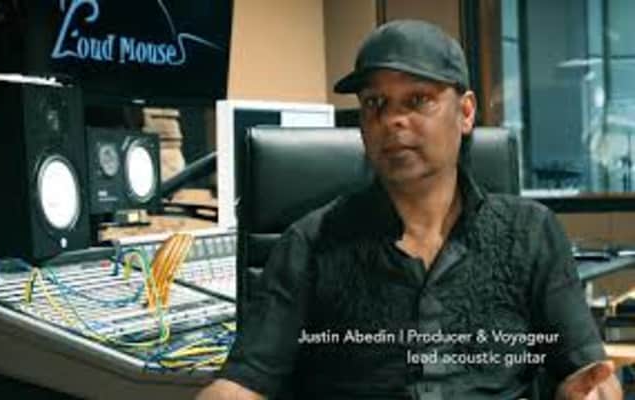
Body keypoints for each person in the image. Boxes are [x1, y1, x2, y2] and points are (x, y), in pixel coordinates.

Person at [197, 20, 622, 400]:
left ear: (466, 112)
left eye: (418, 100)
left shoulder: (530, 232)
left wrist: (589, 392)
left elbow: (586, 369)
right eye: (375, 103)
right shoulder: (311, 242)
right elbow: (244, 381)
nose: (393, 120)